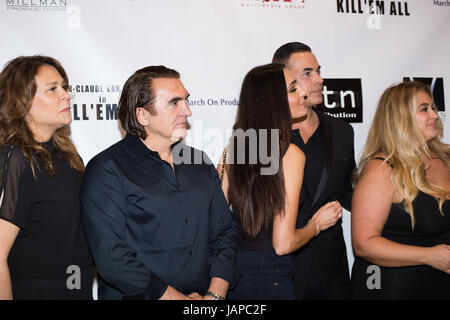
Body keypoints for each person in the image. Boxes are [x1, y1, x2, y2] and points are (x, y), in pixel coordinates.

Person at [80, 65, 238, 300]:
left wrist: (214, 296)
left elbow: (225, 234)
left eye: (186, 100)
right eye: (174, 103)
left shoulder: (199, 163)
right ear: (142, 115)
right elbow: (112, 258)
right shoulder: (108, 169)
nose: (187, 111)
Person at [218, 63, 343, 300]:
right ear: (272, 101)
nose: (303, 94)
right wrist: (316, 225)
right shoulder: (290, 154)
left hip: (232, 277)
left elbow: (211, 217)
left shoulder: (233, 149)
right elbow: (283, 244)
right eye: (293, 89)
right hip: (270, 278)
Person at [0, 55, 94, 300]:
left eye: (64, 87)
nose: (65, 95)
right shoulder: (16, 160)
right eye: (52, 89)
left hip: (77, 290)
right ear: (22, 101)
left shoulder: (68, 155)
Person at [351, 81, 450, 299]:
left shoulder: (445, 158)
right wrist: (429, 256)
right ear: (400, 117)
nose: (434, 115)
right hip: (395, 288)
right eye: (424, 109)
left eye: (433, 107)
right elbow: (364, 244)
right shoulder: (381, 169)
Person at [272, 42, 355, 299]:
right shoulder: (263, 137)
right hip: (279, 271)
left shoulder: (341, 131)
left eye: (318, 71)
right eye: (307, 73)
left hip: (331, 272)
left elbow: (348, 192)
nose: (319, 79)